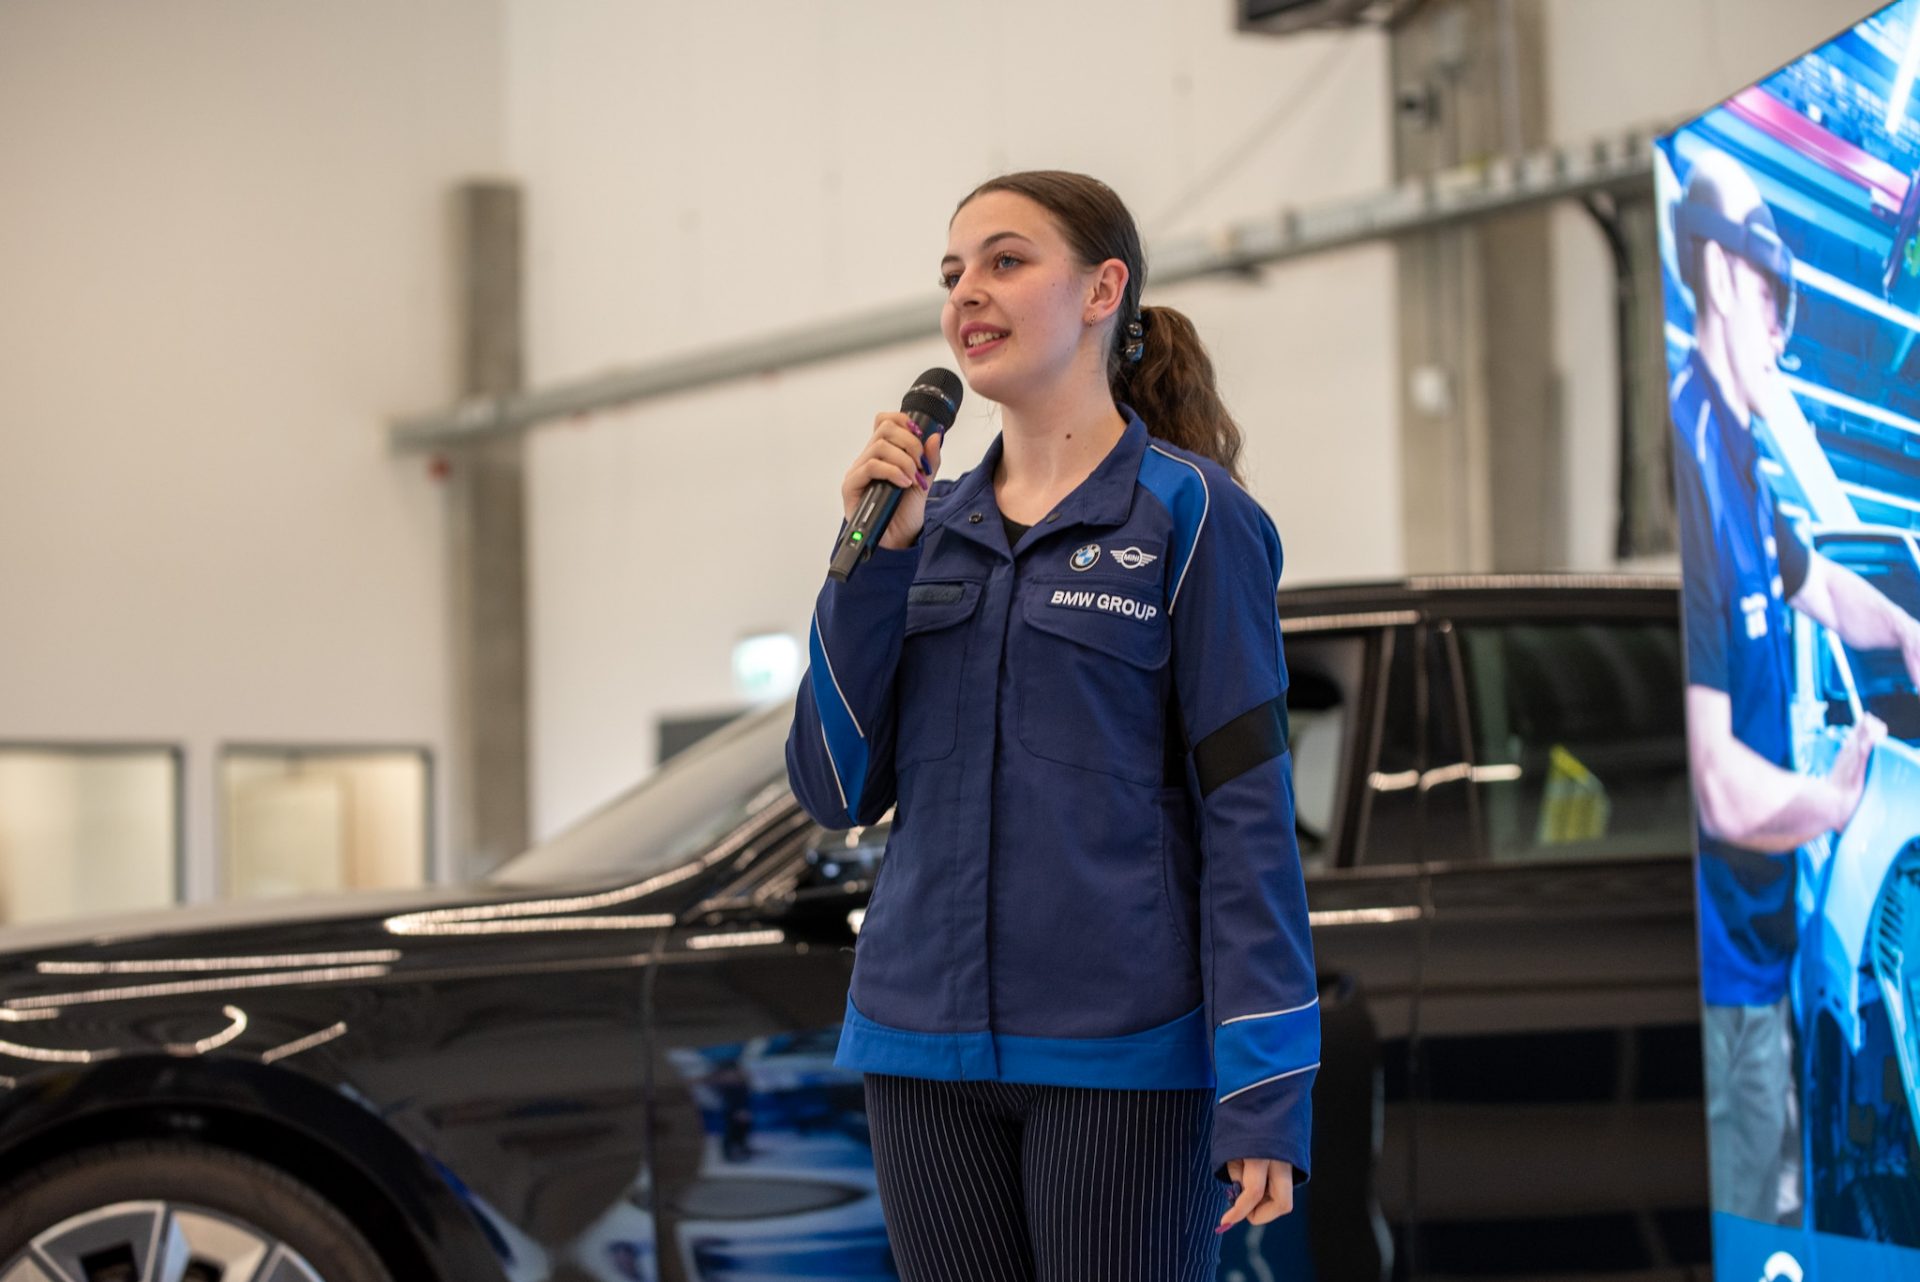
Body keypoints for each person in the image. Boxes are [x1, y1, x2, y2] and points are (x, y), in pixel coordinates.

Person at [786, 170, 1316, 1280]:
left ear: (1101, 290)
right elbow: (834, 786)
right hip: (921, 1042)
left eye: (1005, 260)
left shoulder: (1190, 514)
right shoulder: (926, 531)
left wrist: (1266, 1080)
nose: (966, 292)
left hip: (1120, 1053)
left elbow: (1249, 814)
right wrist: (868, 564)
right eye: (951, 273)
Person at [1669, 149, 1920, 1226]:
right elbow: (1723, 790)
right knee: (1755, 1224)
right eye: (1773, 298)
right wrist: (1835, 800)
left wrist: (1908, 628)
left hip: (1760, 950)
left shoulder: (1738, 463)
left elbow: (1824, 590)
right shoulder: (1688, 465)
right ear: (1725, 279)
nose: (1782, 331)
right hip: (1726, 981)